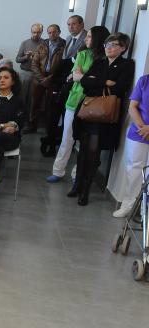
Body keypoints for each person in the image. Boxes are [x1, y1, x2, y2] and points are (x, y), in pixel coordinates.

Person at [71, 32, 135, 206]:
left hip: (105, 115)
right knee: (83, 148)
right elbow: (85, 83)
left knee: (94, 152)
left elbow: (120, 88)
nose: (109, 48)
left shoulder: (127, 64)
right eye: (107, 45)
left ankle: (85, 190)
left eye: (114, 45)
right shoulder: (99, 62)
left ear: (123, 48)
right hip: (88, 110)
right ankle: (77, 184)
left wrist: (96, 81)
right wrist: (105, 82)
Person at [47, 26, 109, 183]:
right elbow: (75, 76)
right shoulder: (82, 54)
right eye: (86, 36)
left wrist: (86, 77)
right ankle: (58, 170)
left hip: (92, 103)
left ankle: (77, 174)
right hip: (75, 100)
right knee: (67, 137)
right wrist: (91, 79)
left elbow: (99, 80)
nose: (86, 39)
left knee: (85, 142)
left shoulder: (104, 59)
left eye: (89, 37)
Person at [113, 72, 149, 217]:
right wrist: (143, 128)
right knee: (133, 169)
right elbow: (132, 106)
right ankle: (128, 204)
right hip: (139, 133)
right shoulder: (144, 80)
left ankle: (144, 210)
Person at [0, 67, 25, 183]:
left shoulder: (18, 100)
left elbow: (19, 122)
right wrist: (2, 126)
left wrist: (12, 126)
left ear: (13, 81)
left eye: (6, 77)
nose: (2, 80)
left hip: (10, 138)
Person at [29, 24, 66, 132]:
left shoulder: (64, 45)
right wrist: (41, 79)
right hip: (39, 78)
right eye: (49, 32)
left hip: (54, 78)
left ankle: (48, 128)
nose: (51, 34)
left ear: (59, 32)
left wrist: (51, 78)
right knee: (35, 103)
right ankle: (32, 126)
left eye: (54, 32)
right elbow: (34, 64)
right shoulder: (42, 45)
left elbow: (64, 65)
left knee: (51, 104)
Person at [16, 23, 44, 122]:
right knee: (22, 97)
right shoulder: (25, 43)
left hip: (37, 75)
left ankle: (30, 121)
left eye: (38, 32)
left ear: (41, 32)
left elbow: (46, 60)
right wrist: (26, 57)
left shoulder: (44, 43)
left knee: (33, 100)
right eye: (34, 32)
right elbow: (17, 59)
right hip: (24, 73)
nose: (36, 34)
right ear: (31, 32)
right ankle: (19, 119)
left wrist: (37, 58)